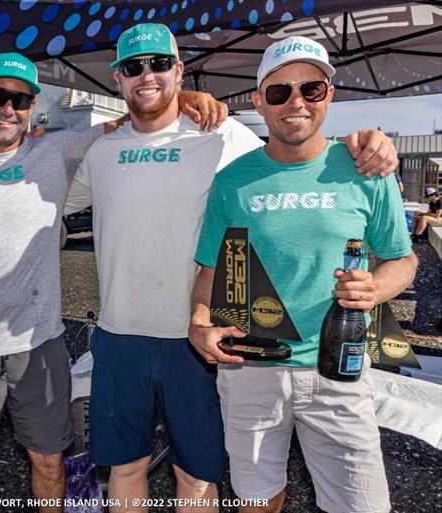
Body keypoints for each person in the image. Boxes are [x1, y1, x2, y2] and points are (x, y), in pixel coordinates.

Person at [64, 23, 400, 513]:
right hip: (122, 335)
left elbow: (292, 141)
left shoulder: (221, 132)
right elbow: (48, 194)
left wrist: (372, 143)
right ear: (117, 78)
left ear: (179, 70)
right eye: (134, 66)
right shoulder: (100, 149)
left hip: (200, 341)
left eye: (160, 64)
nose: (147, 75)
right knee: (126, 467)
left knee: (196, 474)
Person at [0, 51, 228, 513]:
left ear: (33, 105)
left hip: (40, 340)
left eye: (20, 98)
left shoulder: (58, 148)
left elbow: (142, 114)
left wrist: (184, 96)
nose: (7, 108)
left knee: (50, 461)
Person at [190, 36, 417, 513]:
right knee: (255, 499)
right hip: (251, 368)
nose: (295, 102)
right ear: (258, 101)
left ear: (329, 94)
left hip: (340, 372)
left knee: (361, 505)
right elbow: (212, 266)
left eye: (310, 89)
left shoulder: (365, 171)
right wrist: (198, 323)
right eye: (279, 92)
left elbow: (403, 259)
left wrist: (376, 288)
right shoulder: (232, 180)